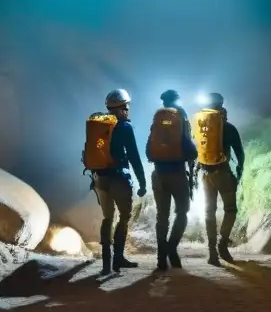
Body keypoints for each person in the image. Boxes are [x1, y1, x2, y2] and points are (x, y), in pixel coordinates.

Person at [82, 88, 147, 275]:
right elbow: (134, 157)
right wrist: (142, 182)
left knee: (107, 218)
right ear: (122, 108)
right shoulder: (125, 127)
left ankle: (106, 263)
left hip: (99, 179)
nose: (127, 110)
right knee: (124, 216)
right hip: (118, 178)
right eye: (126, 107)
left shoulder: (98, 126)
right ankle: (118, 257)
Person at [145, 89, 198, 271]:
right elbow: (190, 148)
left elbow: (148, 150)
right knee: (182, 212)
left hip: (158, 174)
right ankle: (171, 248)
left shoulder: (157, 118)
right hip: (177, 173)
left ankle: (161, 258)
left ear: (163, 101)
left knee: (162, 217)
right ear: (177, 99)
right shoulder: (181, 116)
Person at [192, 92, 245, 266]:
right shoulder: (228, 127)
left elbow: (195, 152)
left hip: (205, 174)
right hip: (222, 172)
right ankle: (223, 243)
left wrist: (193, 174)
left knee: (209, 212)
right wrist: (239, 170)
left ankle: (212, 252)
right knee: (230, 209)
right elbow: (240, 153)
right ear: (221, 104)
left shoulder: (200, 128)